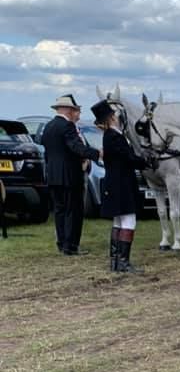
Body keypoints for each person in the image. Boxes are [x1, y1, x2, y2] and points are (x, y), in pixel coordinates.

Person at [91, 99, 148, 273]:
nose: (118, 116)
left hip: (115, 183)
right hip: (122, 184)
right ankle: (123, 261)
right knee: (129, 220)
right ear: (111, 118)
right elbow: (128, 158)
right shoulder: (115, 137)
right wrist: (146, 162)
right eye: (115, 114)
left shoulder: (110, 136)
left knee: (118, 221)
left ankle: (115, 261)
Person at [41, 93, 101, 256]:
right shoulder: (67, 127)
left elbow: (48, 151)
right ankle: (71, 245)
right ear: (68, 110)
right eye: (74, 109)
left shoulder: (49, 126)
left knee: (60, 211)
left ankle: (62, 243)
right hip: (69, 175)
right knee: (73, 210)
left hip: (53, 175)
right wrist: (96, 153)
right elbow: (75, 147)